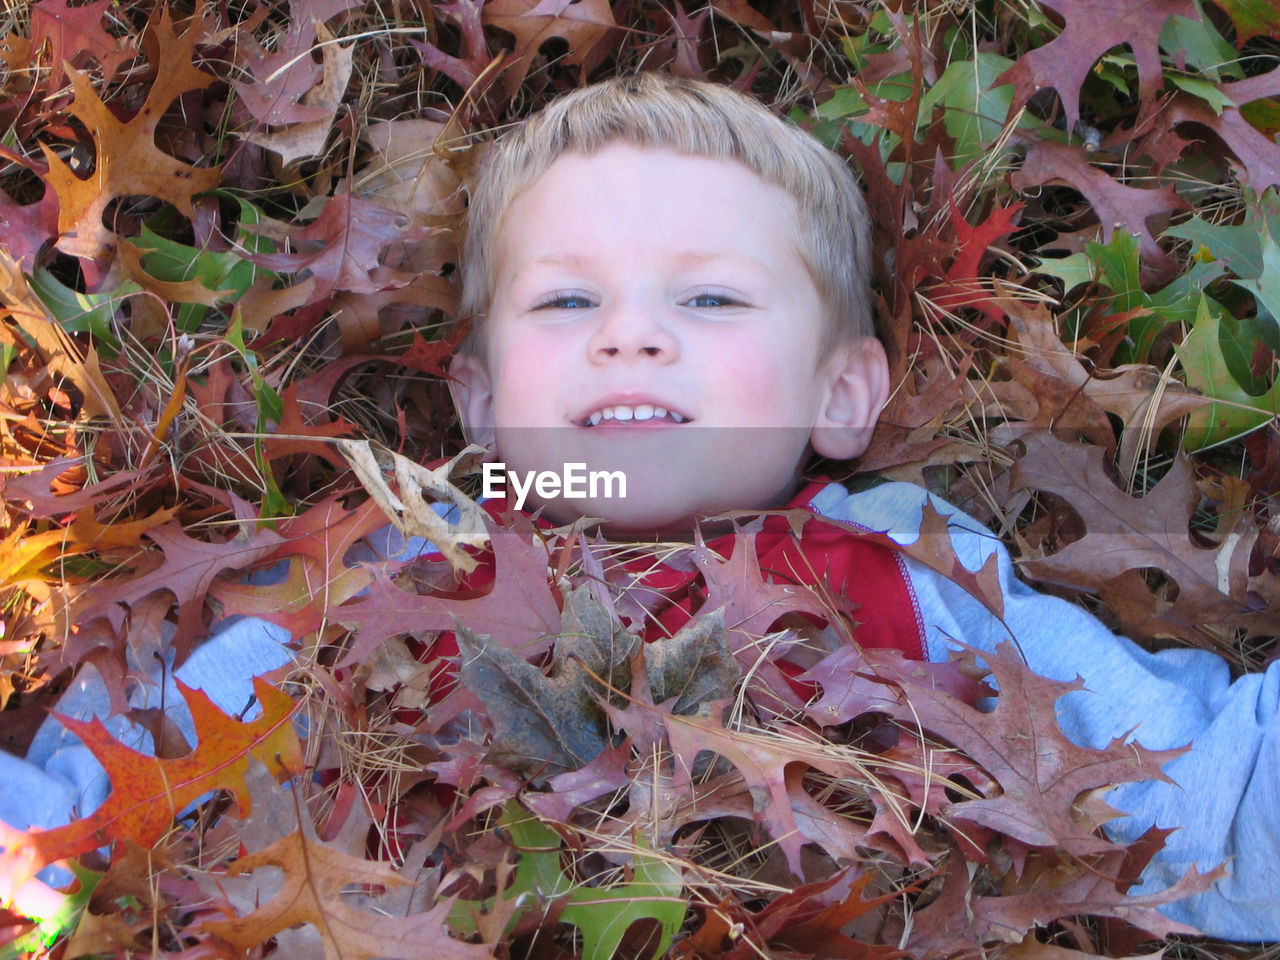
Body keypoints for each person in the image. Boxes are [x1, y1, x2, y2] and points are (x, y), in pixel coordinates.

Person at [4, 73, 1278, 943]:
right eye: (566, 303)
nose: (629, 338)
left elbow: (1198, 798)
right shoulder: (397, 561)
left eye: (709, 301)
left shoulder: (908, 571)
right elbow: (119, 797)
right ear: (482, 403)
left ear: (840, 393)